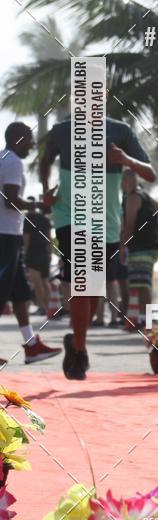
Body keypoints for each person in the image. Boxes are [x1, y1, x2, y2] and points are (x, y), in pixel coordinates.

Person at [40, 117, 156, 379]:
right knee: (83, 282)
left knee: (94, 289)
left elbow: (150, 173)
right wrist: (47, 190)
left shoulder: (120, 131)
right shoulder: (62, 130)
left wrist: (125, 159)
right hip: (69, 216)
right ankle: (80, 351)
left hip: (106, 221)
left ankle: (76, 340)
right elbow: (45, 161)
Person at [0, 123, 60, 365]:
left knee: (20, 294)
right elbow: (10, 201)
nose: (33, 145)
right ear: (17, 138)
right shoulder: (13, 161)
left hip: (9, 235)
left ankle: (32, 345)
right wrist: (38, 205)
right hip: (4, 236)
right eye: (29, 139)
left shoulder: (4, 158)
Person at [120, 169, 158, 330]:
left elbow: (129, 226)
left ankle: (146, 320)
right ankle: (143, 318)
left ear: (127, 181)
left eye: (122, 181)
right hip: (151, 246)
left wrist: (122, 246)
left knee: (141, 285)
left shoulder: (132, 198)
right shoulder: (145, 196)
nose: (120, 185)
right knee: (140, 283)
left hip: (140, 247)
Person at [23, 197, 53, 315]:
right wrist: (50, 253)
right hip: (45, 253)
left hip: (33, 253)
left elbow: (26, 239)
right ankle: (48, 307)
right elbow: (49, 238)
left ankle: (41, 307)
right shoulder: (45, 219)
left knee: (37, 282)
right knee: (45, 281)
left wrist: (25, 254)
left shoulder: (28, 219)